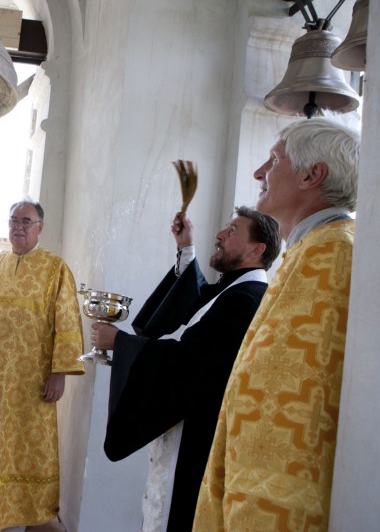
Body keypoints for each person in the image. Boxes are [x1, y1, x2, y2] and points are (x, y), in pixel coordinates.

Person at [194, 117, 360, 530]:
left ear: (312, 174)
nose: (258, 172)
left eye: (273, 159)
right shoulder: (309, 250)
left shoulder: (335, 254)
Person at [91, 207, 281, 532]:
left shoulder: (247, 300)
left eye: (232, 231)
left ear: (257, 249)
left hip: (198, 438)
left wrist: (121, 344)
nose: (220, 235)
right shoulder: (235, 291)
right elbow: (198, 300)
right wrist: (185, 249)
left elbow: (191, 362)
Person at [0, 200, 85, 532]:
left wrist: (59, 372)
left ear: (40, 227)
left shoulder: (55, 269)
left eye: (26, 221)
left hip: (30, 381)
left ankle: (19, 510)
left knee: (20, 445)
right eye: (13, 221)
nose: (18, 227)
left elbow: (67, 321)